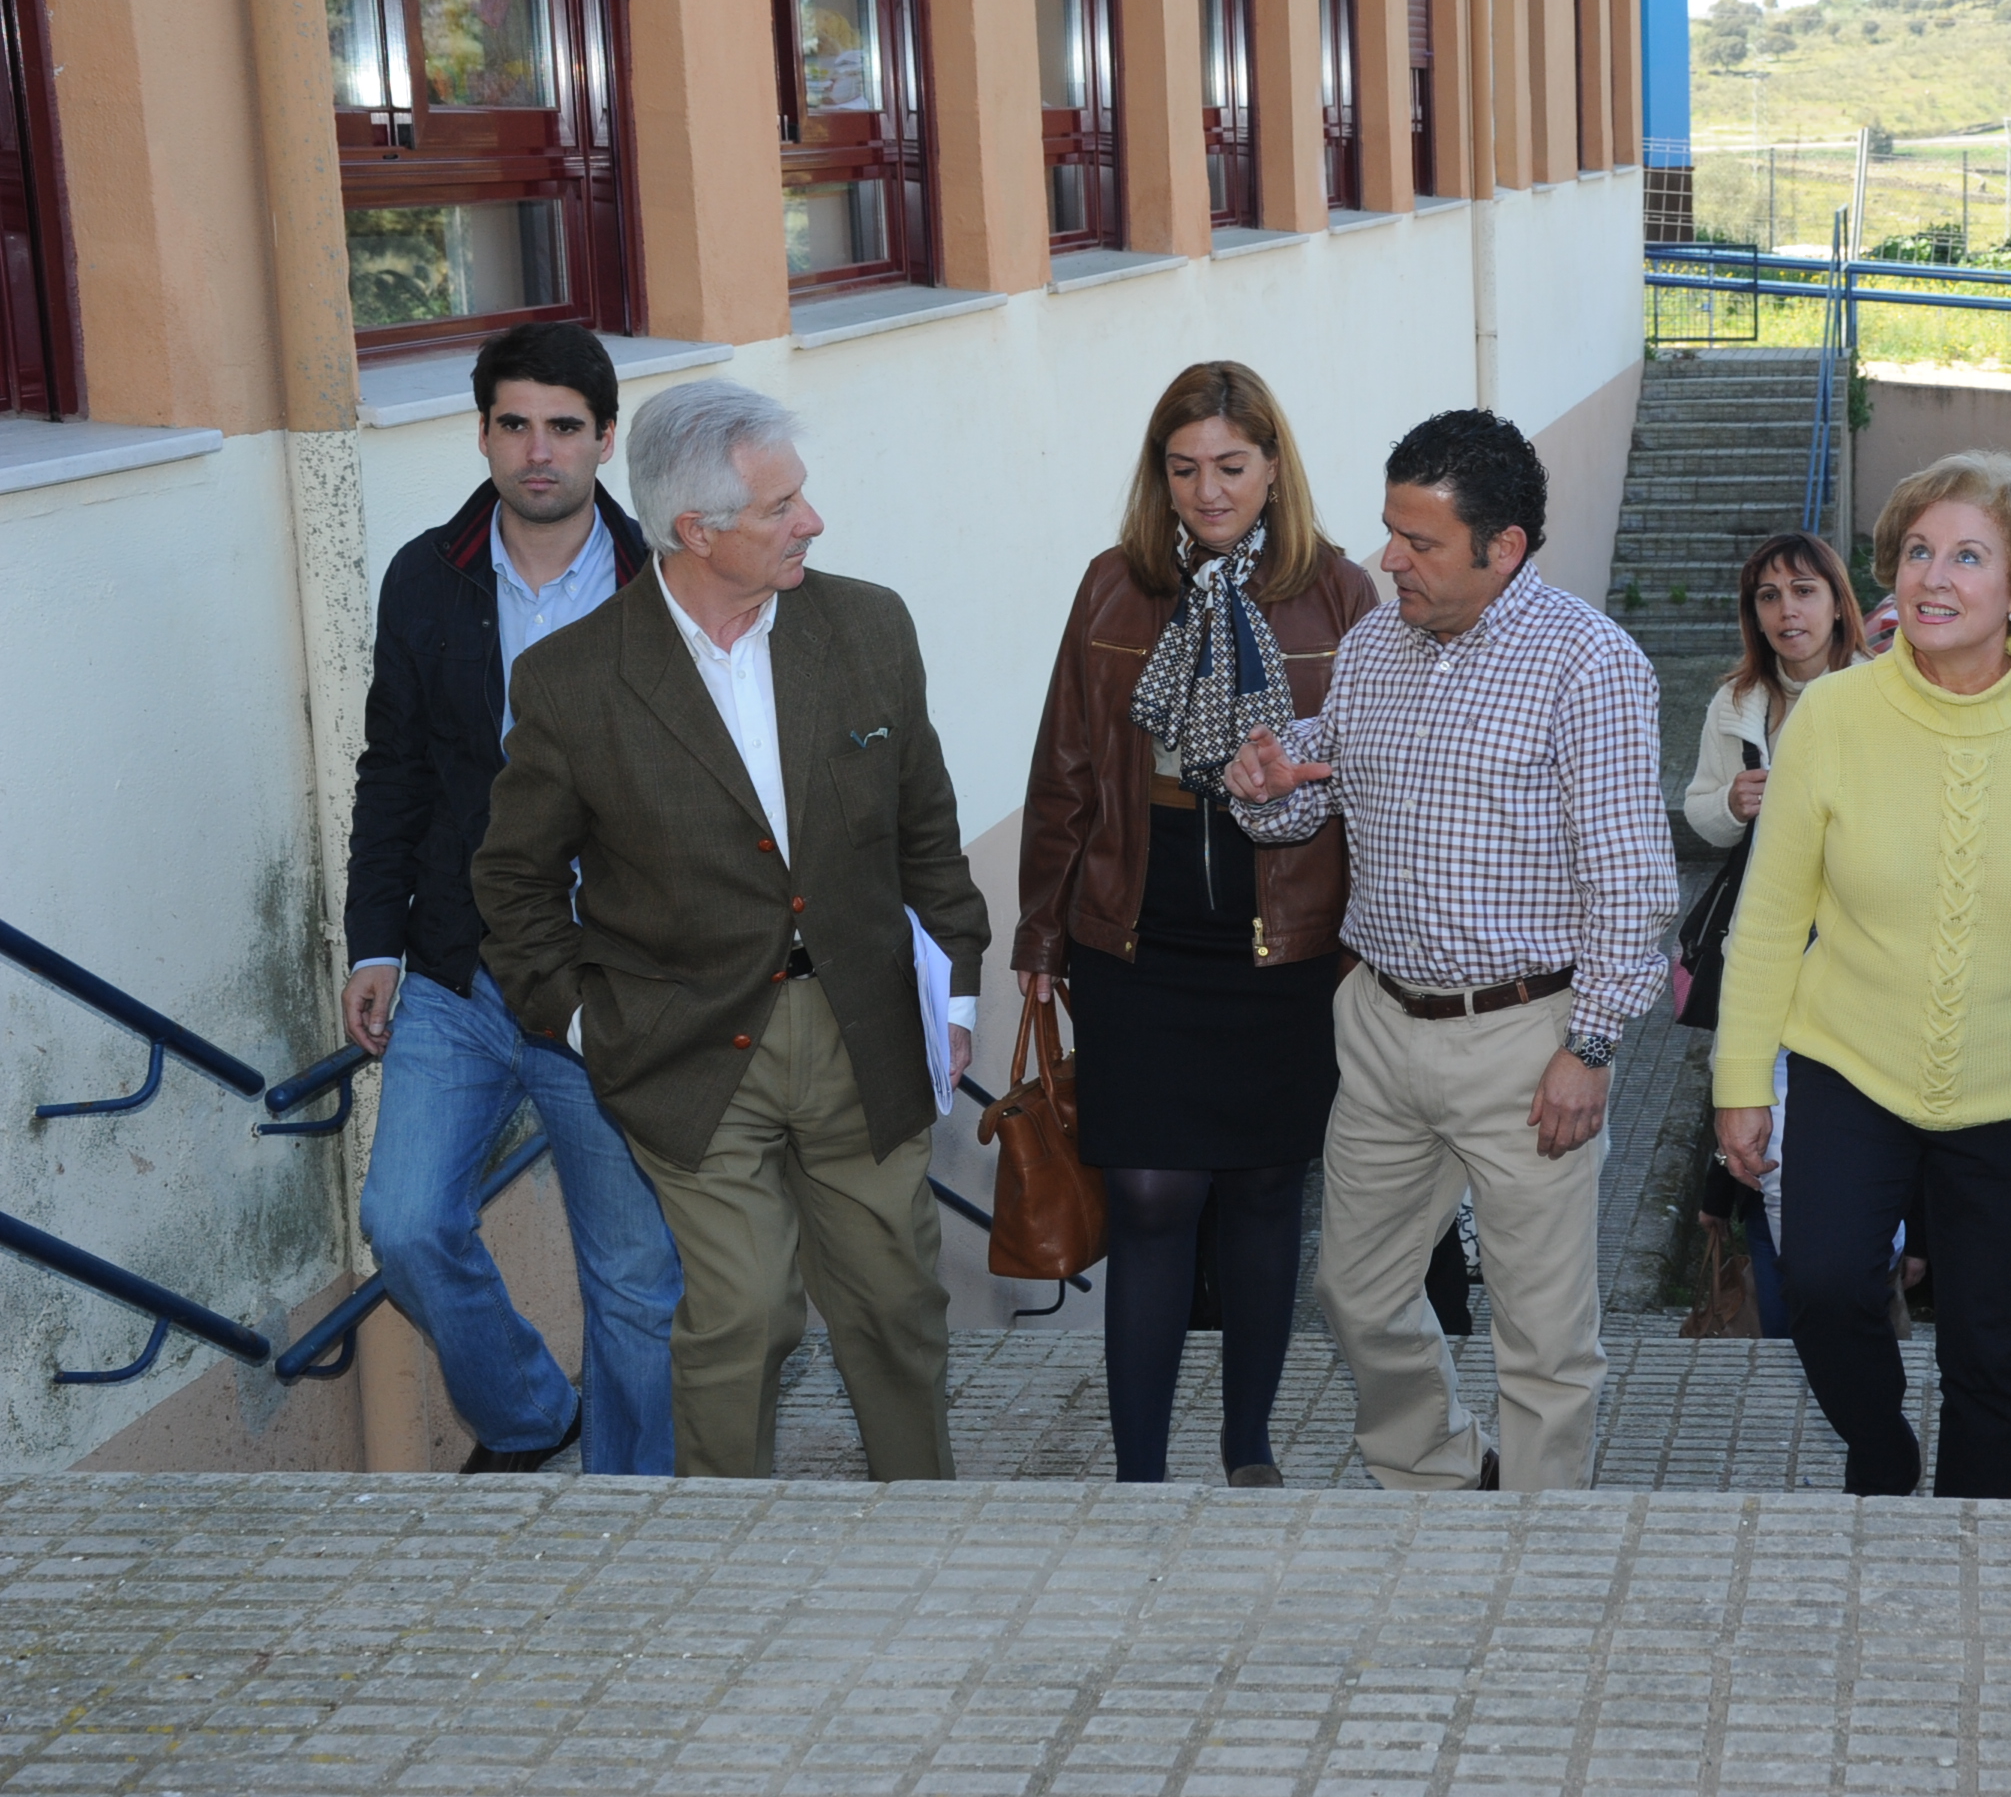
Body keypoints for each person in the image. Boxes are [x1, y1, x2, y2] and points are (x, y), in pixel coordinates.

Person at [473, 380, 991, 1482]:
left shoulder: (866, 625)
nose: (811, 520)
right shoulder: (572, 681)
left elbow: (925, 824)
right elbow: (512, 879)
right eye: (780, 507)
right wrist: (576, 1022)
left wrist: (952, 995)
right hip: (688, 1045)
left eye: (800, 497)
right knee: (744, 1311)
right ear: (696, 531)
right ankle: (720, 1561)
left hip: (863, 1025)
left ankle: (927, 1530)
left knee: (898, 1299)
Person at [1223, 409, 1676, 1493]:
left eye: (1420, 542)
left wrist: (1593, 1043)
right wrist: (1271, 779)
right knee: (1357, 1292)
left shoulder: (1589, 664)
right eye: (1392, 532)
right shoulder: (1379, 639)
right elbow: (1317, 779)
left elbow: (1635, 882)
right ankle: (1435, 1480)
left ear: (1503, 547)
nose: (1390, 560)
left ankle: (1537, 1549)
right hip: (1380, 1026)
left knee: (1542, 1341)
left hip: (1527, 1042)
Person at [1712, 450, 2011, 1499]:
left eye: (1968, 555)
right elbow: (1771, 916)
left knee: (1994, 1349)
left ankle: (1977, 1558)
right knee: (1824, 1288)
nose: (1932, 576)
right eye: (1917, 551)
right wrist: (1740, 1080)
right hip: (1848, 1065)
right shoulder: (1831, 716)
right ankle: (1878, 1452)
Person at [1011, 362, 1379, 1486]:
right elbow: (1066, 767)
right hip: (1139, 929)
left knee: (1267, 1188)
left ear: (1274, 468)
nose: (1207, 492)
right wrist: (1038, 934)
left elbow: (1368, 772)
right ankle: (1138, 1470)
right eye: (1183, 469)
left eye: (1229, 465)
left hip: (1287, 940)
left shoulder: (1340, 594)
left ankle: (1248, 1445)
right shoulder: (1110, 590)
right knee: (1150, 1192)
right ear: (1157, 475)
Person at [341, 322, 680, 1476]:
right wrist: (372, 942)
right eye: (514, 424)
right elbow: (392, 771)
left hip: (610, 978)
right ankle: (536, 1415)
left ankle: (632, 1508)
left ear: (604, 439)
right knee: (407, 1222)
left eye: (564, 428)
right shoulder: (424, 579)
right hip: (458, 968)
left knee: (634, 1274)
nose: (538, 452)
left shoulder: (663, 587)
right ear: (482, 431)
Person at [1682, 532, 1867, 1339]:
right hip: (1761, 955)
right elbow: (1699, 814)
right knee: (1758, 1145)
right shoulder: (1737, 702)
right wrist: (1734, 801)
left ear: (1836, 602)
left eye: (1803, 591)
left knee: (1845, 1140)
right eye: (1768, 596)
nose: (1786, 611)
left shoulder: (1881, 692)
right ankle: (1787, 1312)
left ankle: (1860, 1294)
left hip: (1854, 955)